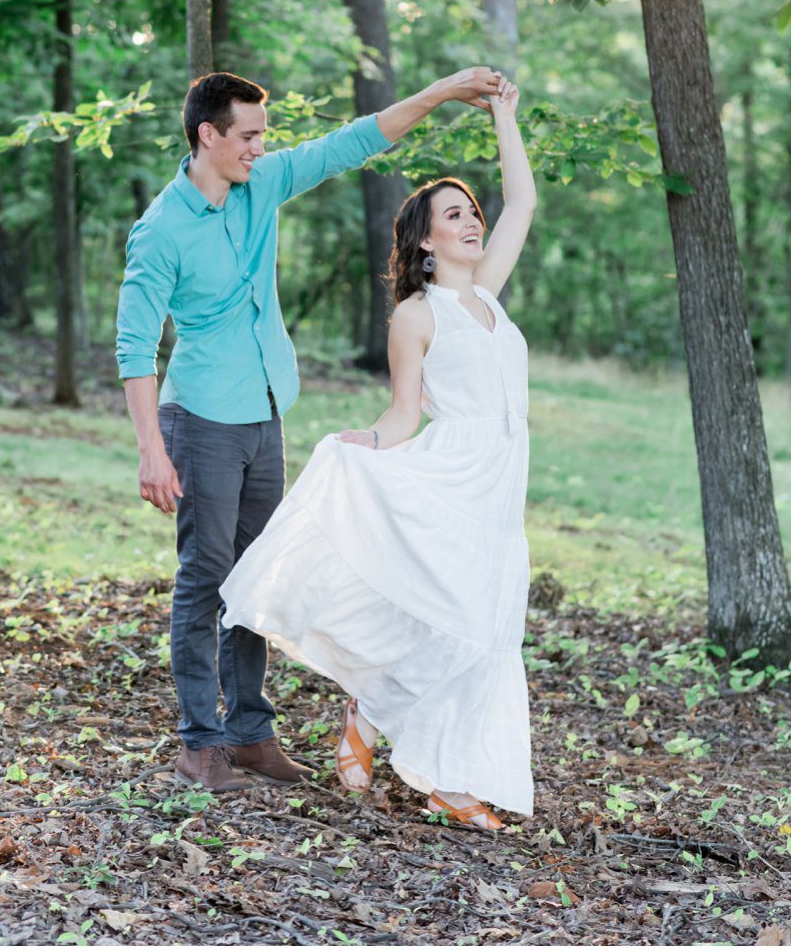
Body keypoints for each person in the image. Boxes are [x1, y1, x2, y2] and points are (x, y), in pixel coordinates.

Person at [118, 66, 505, 794]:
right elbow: (134, 347)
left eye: (263, 136)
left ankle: (251, 732)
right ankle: (200, 743)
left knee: (255, 574)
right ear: (209, 135)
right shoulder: (161, 229)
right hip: (198, 418)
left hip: (264, 412)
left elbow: (354, 142)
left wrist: (444, 91)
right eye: (250, 136)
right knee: (205, 580)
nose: (261, 148)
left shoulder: (262, 184)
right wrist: (152, 450)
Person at [221, 83, 535, 829]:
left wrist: (507, 120)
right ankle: (448, 783)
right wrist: (360, 445)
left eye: (472, 212)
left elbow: (521, 203)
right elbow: (402, 414)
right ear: (425, 240)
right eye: (453, 214)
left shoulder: (487, 295)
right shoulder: (416, 315)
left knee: (487, 629)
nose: (472, 221)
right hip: (449, 475)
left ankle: (370, 719)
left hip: (500, 488)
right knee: (456, 623)